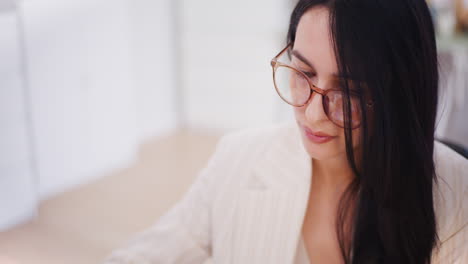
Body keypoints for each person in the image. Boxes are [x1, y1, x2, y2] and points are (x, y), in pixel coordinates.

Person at [104, 0, 468, 263]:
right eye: (303, 74)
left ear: (398, 96)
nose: (312, 113)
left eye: (349, 92)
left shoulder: (457, 194)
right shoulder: (239, 156)